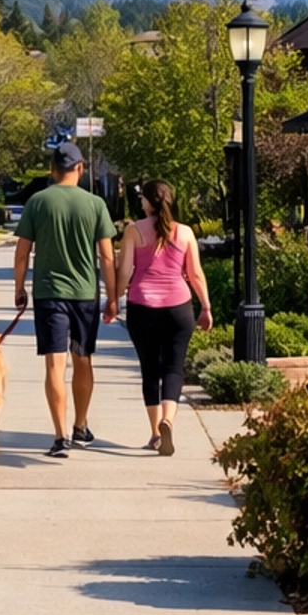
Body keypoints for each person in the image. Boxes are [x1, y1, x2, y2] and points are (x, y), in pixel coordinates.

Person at [13, 143, 119, 457]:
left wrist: (19, 289)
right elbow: (107, 257)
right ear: (81, 168)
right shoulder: (96, 204)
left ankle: (60, 437)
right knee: (83, 359)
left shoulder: (37, 203)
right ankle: (80, 425)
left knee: (55, 365)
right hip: (85, 295)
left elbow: (22, 254)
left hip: (49, 295)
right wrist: (112, 298)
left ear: (52, 169)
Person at [114, 181, 212, 454]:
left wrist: (112, 301)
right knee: (174, 367)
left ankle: (156, 434)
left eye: (142, 199)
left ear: (147, 202)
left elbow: (124, 274)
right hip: (178, 307)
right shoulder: (185, 233)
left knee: (149, 369)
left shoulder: (133, 231)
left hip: (142, 306)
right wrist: (205, 306)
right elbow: (195, 274)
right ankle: (169, 419)